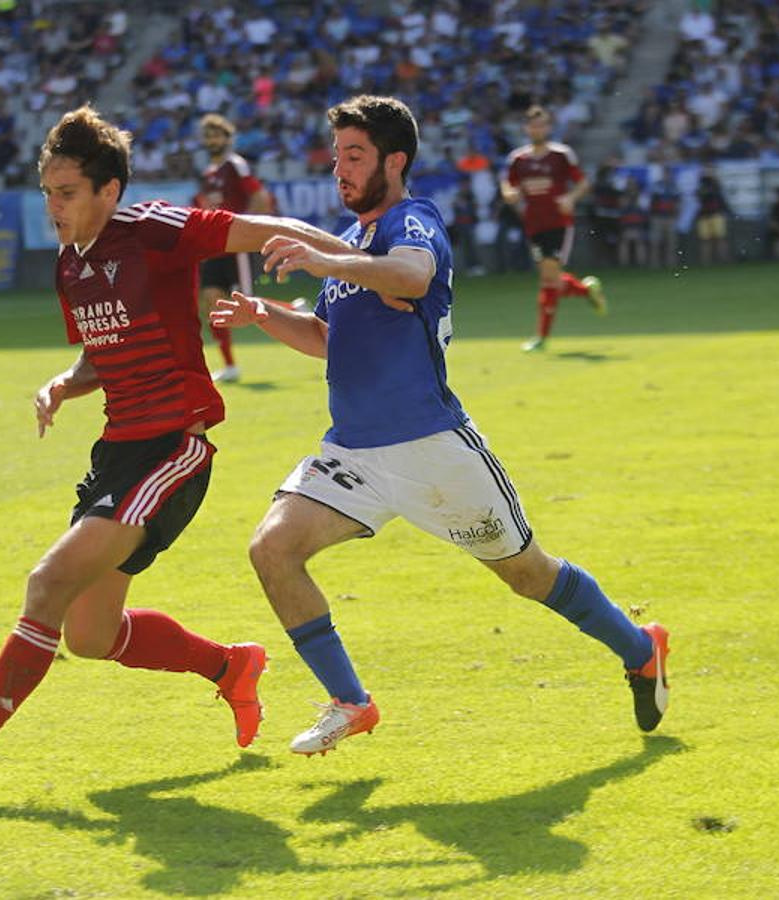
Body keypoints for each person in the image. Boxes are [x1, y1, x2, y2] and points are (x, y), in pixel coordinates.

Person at [0, 104, 360, 798]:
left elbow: (265, 226)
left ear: (109, 191)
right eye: (48, 192)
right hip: (118, 452)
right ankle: (231, 667)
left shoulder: (155, 228)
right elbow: (102, 354)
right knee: (89, 634)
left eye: (68, 193)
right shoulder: (69, 266)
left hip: (174, 448)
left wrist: (355, 258)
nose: (54, 206)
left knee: (48, 582)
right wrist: (65, 382)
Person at [211, 95, 671, 757]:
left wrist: (327, 261)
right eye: (337, 154)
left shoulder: (411, 220)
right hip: (354, 453)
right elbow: (325, 337)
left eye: (355, 155)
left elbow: (414, 277)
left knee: (527, 575)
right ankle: (351, 702)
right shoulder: (356, 247)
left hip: (433, 449)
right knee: (272, 549)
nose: (339, 168)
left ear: (394, 161)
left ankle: (640, 649)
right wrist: (262, 314)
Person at [500, 106, 606, 353]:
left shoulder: (561, 155)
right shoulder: (518, 159)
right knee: (551, 280)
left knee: (548, 278)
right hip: (533, 223)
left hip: (558, 223)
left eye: (542, 125)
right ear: (526, 129)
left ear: (548, 128)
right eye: (533, 125)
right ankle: (586, 291)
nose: (537, 129)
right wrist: (509, 194)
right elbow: (509, 184)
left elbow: (583, 183)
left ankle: (542, 336)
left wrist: (571, 198)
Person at [194, 114, 272, 383]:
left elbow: (260, 197)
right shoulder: (208, 174)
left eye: (217, 134)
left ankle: (294, 309)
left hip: (236, 246)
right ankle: (230, 366)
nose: (212, 139)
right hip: (215, 248)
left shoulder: (236, 165)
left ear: (228, 138)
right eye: (208, 135)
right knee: (212, 302)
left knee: (249, 307)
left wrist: (246, 231)